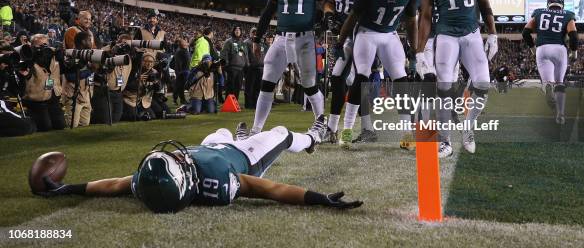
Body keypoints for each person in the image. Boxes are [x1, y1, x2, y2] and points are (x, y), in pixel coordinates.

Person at [34, 117, 362, 213]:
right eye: (176, 159)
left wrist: (66, 188)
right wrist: (319, 198)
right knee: (280, 134)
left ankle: (235, 133)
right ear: (186, 178)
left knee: (216, 132)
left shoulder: (153, 184)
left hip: (210, 148)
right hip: (244, 158)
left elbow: (116, 184)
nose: (174, 155)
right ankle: (315, 138)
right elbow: (269, 188)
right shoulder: (219, 184)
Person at [416, 0, 498, 157]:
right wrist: (419, 51)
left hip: (471, 34)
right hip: (446, 36)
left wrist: (492, 33)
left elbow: (483, 0)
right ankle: (444, 142)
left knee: (483, 84)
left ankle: (468, 128)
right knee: (444, 89)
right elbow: (425, 15)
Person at [334, 0, 419, 149]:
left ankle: (407, 133)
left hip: (390, 34)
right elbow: (354, 15)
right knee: (361, 77)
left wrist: (415, 50)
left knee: (401, 79)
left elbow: (410, 20)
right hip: (367, 32)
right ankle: (347, 130)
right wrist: (340, 42)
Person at [250, 0, 328, 135]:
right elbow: (268, 11)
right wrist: (257, 38)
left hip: (305, 38)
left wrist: (323, 22)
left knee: (309, 85)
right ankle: (256, 129)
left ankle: (322, 126)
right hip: (281, 38)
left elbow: (326, 5)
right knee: (267, 82)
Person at [322, 0, 367, 143]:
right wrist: (330, 17)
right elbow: (329, 2)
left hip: (363, 35)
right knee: (337, 77)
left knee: (359, 80)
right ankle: (332, 128)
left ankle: (347, 129)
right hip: (343, 35)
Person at [522, 0, 578, 123]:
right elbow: (574, 36)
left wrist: (533, 49)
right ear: (562, 4)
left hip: (542, 48)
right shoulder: (568, 14)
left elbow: (525, 33)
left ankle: (547, 85)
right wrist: (574, 53)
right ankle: (560, 114)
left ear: (548, 3)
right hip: (560, 49)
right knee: (559, 83)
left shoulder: (539, 12)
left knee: (548, 82)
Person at [21, 34, 64, 132]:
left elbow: (65, 68)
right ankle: (29, 116)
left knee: (60, 125)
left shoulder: (54, 55)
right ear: (32, 47)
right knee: (46, 127)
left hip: (53, 96)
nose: (43, 47)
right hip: (37, 99)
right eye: (39, 45)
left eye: (45, 44)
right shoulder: (28, 59)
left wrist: (62, 57)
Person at [62, 31, 94, 128]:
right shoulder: (70, 54)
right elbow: (70, 77)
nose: (91, 42)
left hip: (86, 95)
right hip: (73, 96)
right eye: (89, 40)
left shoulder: (90, 55)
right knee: (71, 125)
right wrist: (91, 70)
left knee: (84, 123)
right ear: (83, 42)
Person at [221, 26, 249, 101]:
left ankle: (234, 102)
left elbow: (245, 55)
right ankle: (228, 102)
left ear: (241, 32)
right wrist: (226, 65)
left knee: (238, 86)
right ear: (233, 31)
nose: (237, 31)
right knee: (230, 86)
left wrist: (247, 65)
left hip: (241, 68)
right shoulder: (229, 41)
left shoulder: (243, 43)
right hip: (232, 67)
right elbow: (224, 53)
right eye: (236, 30)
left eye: (239, 30)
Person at [244, 27, 267, 109]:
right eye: (253, 32)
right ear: (250, 33)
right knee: (249, 87)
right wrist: (248, 65)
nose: (255, 34)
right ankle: (249, 105)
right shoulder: (247, 42)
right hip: (252, 68)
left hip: (260, 68)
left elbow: (263, 55)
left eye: (256, 32)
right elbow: (245, 55)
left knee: (257, 87)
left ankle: (255, 104)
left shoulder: (261, 43)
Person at [172, 38, 190, 105]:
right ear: (182, 44)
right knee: (180, 86)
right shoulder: (180, 51)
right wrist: (180, 72)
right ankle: (181, 99)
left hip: (183, 71)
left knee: (179, 86)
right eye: (185, 42)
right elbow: (179, 62)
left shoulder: (182, 50)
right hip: (183, 71)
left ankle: (177, 98)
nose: (186, 43)